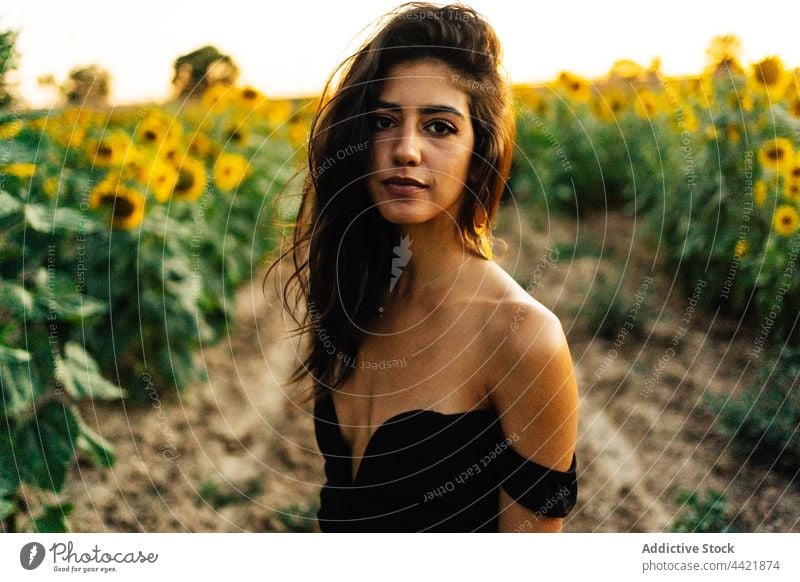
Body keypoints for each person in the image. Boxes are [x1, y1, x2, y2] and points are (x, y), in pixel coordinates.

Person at [265, 1, 579, 532]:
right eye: (384, 121)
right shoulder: (359, 294)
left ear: (481, 148)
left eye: (439, 126)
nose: (405, 149)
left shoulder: (523, 337)